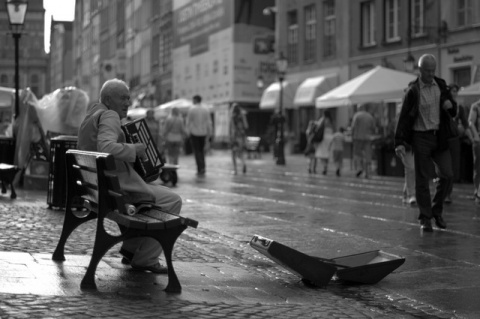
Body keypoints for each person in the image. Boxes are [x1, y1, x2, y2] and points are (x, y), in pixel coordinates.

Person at [77, 78, 182, 273]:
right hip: (114, 191)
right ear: (108, 99)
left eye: (128, 98)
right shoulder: (109, 115)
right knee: (173, 200)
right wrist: (136, 149)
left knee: (160, 194)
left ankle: (131, 249)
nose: (127, 103)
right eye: (123, 98)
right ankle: (145, 258)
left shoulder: (92, 115)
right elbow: (105, 147)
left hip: (99, 187)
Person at [395, 54, 456, 232]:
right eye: (427, 71)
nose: (431, 74)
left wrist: (449, 106)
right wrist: (399, 141)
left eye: (433, 70)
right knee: (422, 179)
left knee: (447, 174)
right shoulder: (413, 91)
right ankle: (425, 218)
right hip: (420, 137)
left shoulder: (441, 85)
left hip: (439, 136)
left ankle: (436, 211)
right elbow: (404, 118)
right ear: (420, 70)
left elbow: (453, 109)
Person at [443, 84, 468, 204]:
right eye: (453, 90)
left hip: (455, 140)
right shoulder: (444, 105)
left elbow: (466, 124)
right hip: (443, 140)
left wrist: (472, 137)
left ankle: (448, 193)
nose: (454, 93)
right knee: (443, 168)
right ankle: (441, 190)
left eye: (456, 91)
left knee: (453, 168)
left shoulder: (460, 108)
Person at [186, 95, 213, 176]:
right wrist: (210, 133)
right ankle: (203, 167)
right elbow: (209, 122)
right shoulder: (206, 109)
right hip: (203, 133)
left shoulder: (192, 109)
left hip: (194, 133)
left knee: (197, 151)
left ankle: (199, 168)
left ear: (195, 100)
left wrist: (188, 132)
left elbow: (188, 122)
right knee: (202, 151)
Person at [351, 103, 376, 178]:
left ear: (359, 108)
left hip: (358, 137)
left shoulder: (357, 115)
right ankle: (367, 172)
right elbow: (373, 128)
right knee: (367, 155)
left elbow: (353, 127)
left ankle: (360, 168)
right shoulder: (370, 116)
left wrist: (352, 136)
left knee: (358, 154)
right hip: (367, 138)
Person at [229, 103, 248, 174]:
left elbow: (233, 128)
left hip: (235, 137)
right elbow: (246, 126)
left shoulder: (232, 117)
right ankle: (243, 164)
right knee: (241, 152)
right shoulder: (242, 116)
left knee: (233, 153)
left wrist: (231, 138)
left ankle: (235, 169)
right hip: (242, 137)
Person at [468, 98, 480, 203]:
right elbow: (471, 122)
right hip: (478, 141)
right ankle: (477, 191)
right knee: (478, 166)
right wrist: (476, 137)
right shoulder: (476, 106)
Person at [314, 111, 334, 175]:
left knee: (321, 153)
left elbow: (318, 127)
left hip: (324, 136)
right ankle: (326, 166)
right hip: (330, 136)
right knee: (327, 153)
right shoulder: (331, 120)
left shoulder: (323, 119)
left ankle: (324, 167)